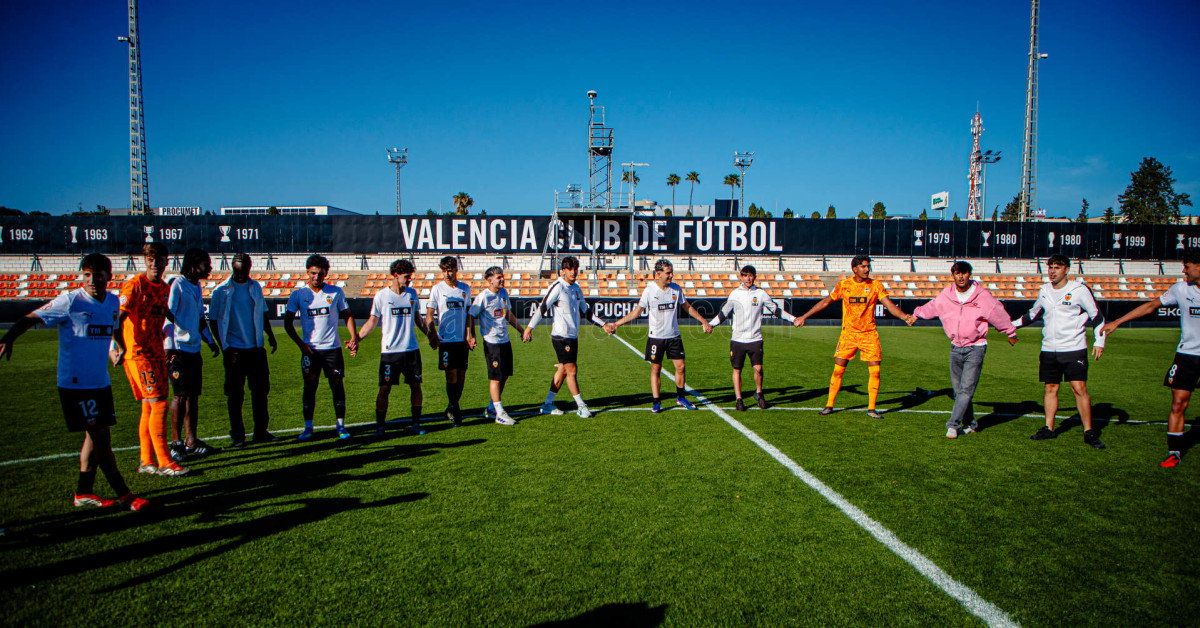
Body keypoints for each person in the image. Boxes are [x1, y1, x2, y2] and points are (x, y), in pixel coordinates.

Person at [0, 254, 149, 511]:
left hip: (99, 382)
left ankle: (83, 492)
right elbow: (32, 318)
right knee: (101, 438)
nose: (91, 280)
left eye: (97, 275)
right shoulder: (70, 301)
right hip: (75, 385)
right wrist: (9, 337)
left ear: (108, 276)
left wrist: (119, 346)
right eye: (87, 275)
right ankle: (125, 494)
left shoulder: (112, 302)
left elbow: (113, 327)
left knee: (95, 436)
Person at [1102, 249, 1200, 467]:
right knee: (1178, 404)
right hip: (1187, 356)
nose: (1183, 271)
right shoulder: (1181, 289)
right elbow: (1151, 306)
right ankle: (1174, 452)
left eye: (1187, 266)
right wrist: (1117, 322)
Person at [796, 254, 914, 419]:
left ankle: (871, 409)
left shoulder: (876, 285)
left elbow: (889, 305)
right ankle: (829, 405)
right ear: (854, 269)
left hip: (869, 335)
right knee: (838, 371)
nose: (867, 269)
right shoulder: (844, 285)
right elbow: (825, 302)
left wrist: (904, 317)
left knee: (875, 372)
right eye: (863, 266)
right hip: (848, 335)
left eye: (868, 266)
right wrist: (804, 316)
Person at [912, 261, 1018, 439]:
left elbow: (997, 313)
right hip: (955, 348)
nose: (961, 276)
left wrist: (1010, 332)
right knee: (958, 391)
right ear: (953, 275)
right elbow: (932, 307)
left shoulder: (982, 296)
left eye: (964, 272)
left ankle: (953, 425)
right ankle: (971, 424)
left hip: (976, 348)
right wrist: (915, 314)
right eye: (957, 273)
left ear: (970, 274)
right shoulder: (947, 295)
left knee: (966, 390)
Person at [1011, 254, 1106, 449]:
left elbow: (1097, 316)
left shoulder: (1079, 290)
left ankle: (1088, 431)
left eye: (1057, 267)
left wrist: (1100, 341)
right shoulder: (1044, 290)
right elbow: (1032, 314)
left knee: (1079, 388)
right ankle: (1049, 428)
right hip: (1048, 349)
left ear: (1067, 270)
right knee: (1050, 388)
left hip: (1074, 348)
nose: (1052, 271)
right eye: (1050, 267)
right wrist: (1009, 327)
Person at [114, 242, 190, 476]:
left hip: (157, 353)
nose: (155, 264)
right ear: (145, 261)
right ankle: (165, 462)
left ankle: (146, 461)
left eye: (159, 260)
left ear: (166, 262)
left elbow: (163, 316)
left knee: (149, 406)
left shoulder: (165, 289)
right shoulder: (134, 286)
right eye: (150, 260)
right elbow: (117, 319)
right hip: (138, 354)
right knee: (159, 403)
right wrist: (117, 347)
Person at [606, 259, 713, 413]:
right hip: (656, 337)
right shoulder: (649, 291)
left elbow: (687, 307)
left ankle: (681, 397)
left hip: (674, 336)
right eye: (668, 273)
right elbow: (637, 312)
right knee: (656, 369)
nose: (671, 276)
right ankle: (656, 401)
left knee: (681, 367)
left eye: (671, 272)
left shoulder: (676, 289)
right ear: (659, 274)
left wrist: (703, 321)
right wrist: (617, 324)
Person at [522, 256, 608, 418]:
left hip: (572, 336)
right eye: (570, 269)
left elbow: (586, 312)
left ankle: (547, 404)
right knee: (572, 370)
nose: (574, 272)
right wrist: (529, 328)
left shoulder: (576, 288)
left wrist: (603, 325)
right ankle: (581, 406)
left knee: (562, 369)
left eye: (575, 269)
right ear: (563, 271)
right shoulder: (558, 287)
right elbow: (543, 307)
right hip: (561, 336)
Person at [352, 259, 429, 436]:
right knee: (384, 388)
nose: (410, 280)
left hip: (411, 350)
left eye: (410, 276)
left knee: (416, 386)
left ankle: (416, 423)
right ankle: (380, 426)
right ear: (395, 275)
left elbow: (418, 319)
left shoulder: (411, 294)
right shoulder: (381, 296)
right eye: (407, 276)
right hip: (390, 352)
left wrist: (430, 335)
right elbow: (372, 321)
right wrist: (357, 339)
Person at [208, 253, 278, 447]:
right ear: (232, 268)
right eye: (237, 270)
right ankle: (237, 435)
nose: (240, 274)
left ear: (249, 268)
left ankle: (261, 431)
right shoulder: (221, 290)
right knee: (235, 395)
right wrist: (224, 347)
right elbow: (213, 321)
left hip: (256, 349)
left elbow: (262, 313)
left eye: (244, 270)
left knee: (261, 393)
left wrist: (270, 335)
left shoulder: (255, 287)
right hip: (234, 351)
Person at [709, 265, 801, 411]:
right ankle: (739, 399)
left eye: (751, 275)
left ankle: (758, 393)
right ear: (741, 277)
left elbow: (776, 310)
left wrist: (793, 319)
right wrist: (710, 325)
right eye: (745, 275)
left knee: (758, 369)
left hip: (755, 339)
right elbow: (723, 313)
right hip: (738, 339)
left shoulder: (761, 294)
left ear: (755, 277)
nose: (748, 278)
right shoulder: (734, 294)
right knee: (737, 369)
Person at [285, 254, 357, 440]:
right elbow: (287, 323)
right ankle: (308, 428)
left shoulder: (335, 292)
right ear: (307, 272)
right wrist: (301, 345)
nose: (316, 277)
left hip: (332, 349)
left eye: (320, 273)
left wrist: (353, 337)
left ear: (326, 273)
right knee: (310, 387)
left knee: (337, 385)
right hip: (310, 350)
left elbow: (347, 315)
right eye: (313, 273)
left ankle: (341, 426)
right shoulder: (298, 295)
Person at [163, 248, 220, 460]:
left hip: (194, 349)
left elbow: (199, 318)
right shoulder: (176, 284)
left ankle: (191, 442)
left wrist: (210, 342)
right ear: (194, 265)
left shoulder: (195, 286)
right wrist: (168, 344)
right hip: (178, 349)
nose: (209, 267)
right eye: (206, 263)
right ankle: (176, 444)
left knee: (193, 397)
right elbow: (168, 314)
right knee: (180, 395)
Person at [468, 266, 526, 425]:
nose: (502, 279)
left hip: (505, 340)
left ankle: (491, 408)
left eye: (502, 276)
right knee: (495, 377)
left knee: (504, 375)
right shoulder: (483, 297)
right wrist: (471, 336)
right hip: (492, 342)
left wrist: (522, 330)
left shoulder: (503, 293)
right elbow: (471, 315)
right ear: (490, 280)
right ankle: (499, 413)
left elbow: (508, 315)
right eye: (498, 277)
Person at [426, 256, 471, 427]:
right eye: (444, 271)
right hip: (446, 340)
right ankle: (455, 409)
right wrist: (432, 334)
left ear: (456, 270)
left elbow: (469, 315)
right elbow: (429, 315)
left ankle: (451, 406)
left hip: (462, 341)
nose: (447, 274)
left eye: (450, 270)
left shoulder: (465, 289)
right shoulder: (437, 289)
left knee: (461, 376)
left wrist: (470, 335)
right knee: (451, 376)